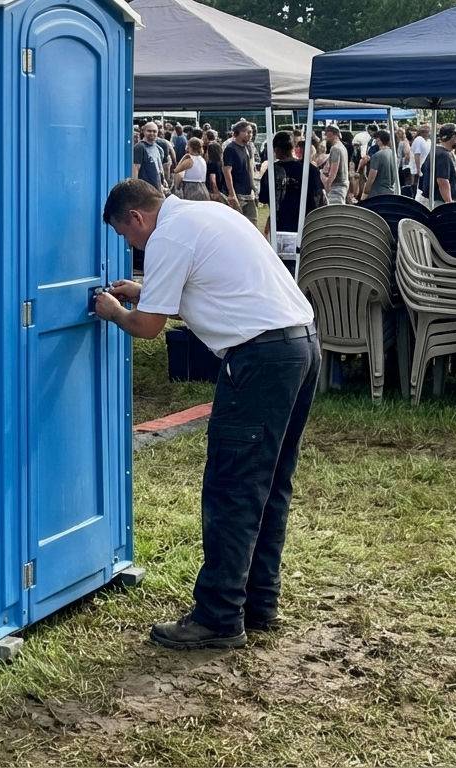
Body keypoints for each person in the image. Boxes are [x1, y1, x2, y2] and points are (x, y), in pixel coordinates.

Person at [95, 179, 318, 651]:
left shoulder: (167, 237)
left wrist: (115, 310)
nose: (130, 246)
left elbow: (148, 327)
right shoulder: (207, 214)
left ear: (136, 218)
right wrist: (144, 289)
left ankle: (218, 616)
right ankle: (258, 602)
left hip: (258, 360)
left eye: (125, 235)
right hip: (299, 345)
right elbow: (212, 288)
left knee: (232, 489)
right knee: (270, 481)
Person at [260, 130, 323, 235]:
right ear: (293, 148)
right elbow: (317, 197)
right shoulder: (310, 169)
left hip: (280, 223)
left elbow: (263, 197)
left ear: (276, 150)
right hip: (305, 224)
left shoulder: (272, 171)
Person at [222, 121, 259, 223]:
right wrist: (232, 194)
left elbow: (250, 168)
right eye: (246, 132)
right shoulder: (230, 149)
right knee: (237, 224)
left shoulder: (248, 147)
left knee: (253, 222)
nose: (250, 135)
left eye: (251, 132)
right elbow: (227, 171)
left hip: (248, 192)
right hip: (237, 193)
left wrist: (254, 188)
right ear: (236, 133)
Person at [419, 125, 456, 208]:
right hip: (439, 202)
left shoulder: (435, 151)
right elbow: (442, 181)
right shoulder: (443, 155)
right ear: (453, 137)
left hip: (432, 199)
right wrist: (449, 202)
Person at [362, 130, 399, 201]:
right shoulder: (393, 154)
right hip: (390, 191)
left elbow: (371, 178)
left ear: (379, 140)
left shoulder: (377, 156)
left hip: (377, 193)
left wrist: (365, 193)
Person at [321, 125, 350, 205]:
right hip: (343, 184)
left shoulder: (335, 148)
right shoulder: (342, 147)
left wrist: (327, 185)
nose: (325, 135)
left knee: (335, 213)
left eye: (326, 133)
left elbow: (334, 171)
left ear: (331, 133)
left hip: (337, 186)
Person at [132, 122, 165, 189]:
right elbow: (135, 169)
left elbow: (159, 167)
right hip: (145, 190)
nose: (152, 133)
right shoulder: (139, 147)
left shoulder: (157, 148)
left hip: (157, 188)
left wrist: (163, 180)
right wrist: (135, 188)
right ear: (144, 132)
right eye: (149, 131)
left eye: (154, 131)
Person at [202, 129, 226, 204]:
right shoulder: (221, 163)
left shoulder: (211, 164)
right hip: (221, 187)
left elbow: (213, 179)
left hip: (214, 190)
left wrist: (216, 193)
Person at [410, 124, 431, 191]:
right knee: (416, 187)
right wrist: (418, 170)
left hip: (424, 167)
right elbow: (417, 154)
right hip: (417, 169)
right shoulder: (419, 139)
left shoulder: (428, 141)